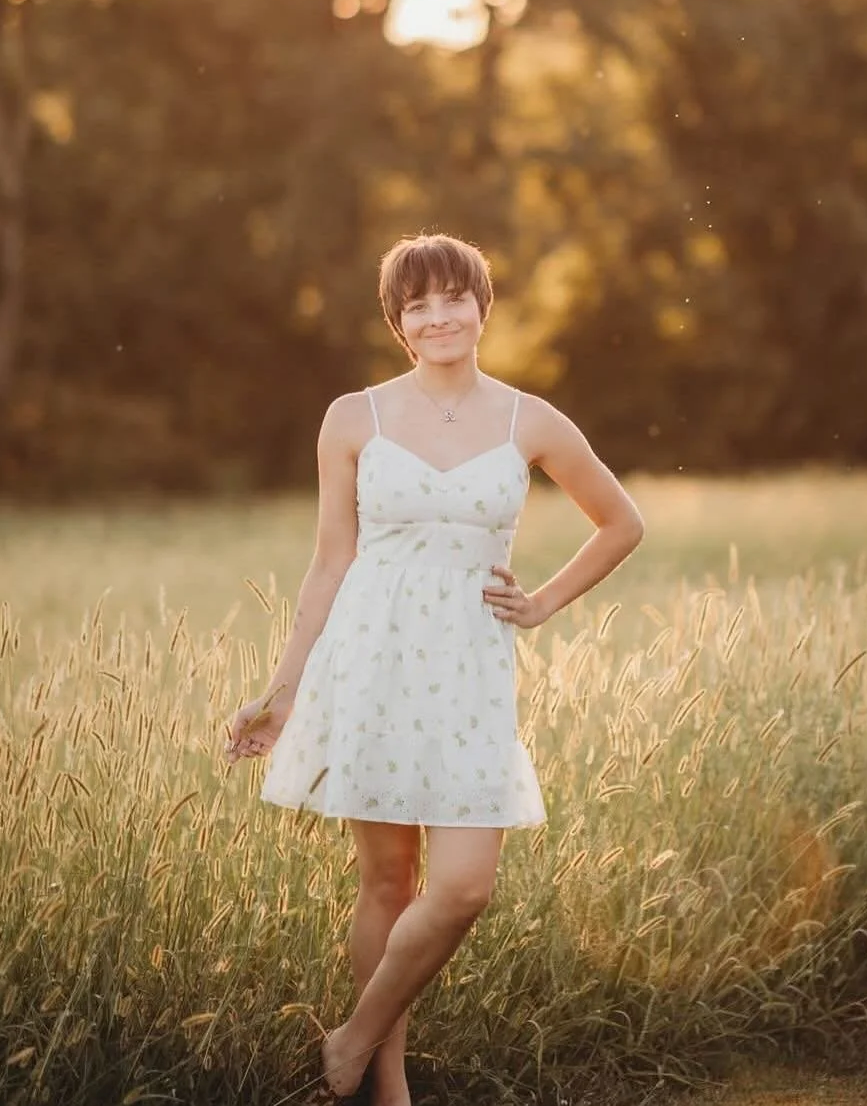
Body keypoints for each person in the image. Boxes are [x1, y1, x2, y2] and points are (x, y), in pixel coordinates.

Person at [224, 231, 645, 1104]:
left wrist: (542, 602)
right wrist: (283, 688)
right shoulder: (353, 416)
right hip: (366, 663)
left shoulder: (530, 418)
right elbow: (329, 562)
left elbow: (620, 521)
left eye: (455, 296)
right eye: (418, 303)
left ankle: (350, 1036)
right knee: (386, 879)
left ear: (483, 307)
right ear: (398, 323)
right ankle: (387, 1084)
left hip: (468, 674)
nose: (439, 314)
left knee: (461, 887)